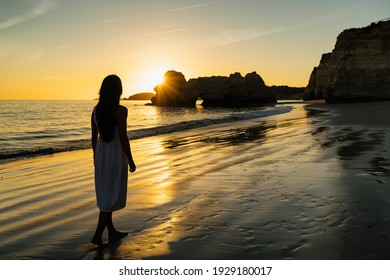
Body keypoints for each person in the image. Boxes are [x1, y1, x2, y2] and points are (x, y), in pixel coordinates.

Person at [91, 74, 136, 247]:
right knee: (110, 196)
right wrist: (131, 160)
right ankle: (97, 236)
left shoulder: (96, 110)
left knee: (106, 194)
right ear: (118, 90)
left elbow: (93, 138)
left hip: (102, 155)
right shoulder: (121, 110)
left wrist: (96, 157)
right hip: (116, 154)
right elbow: (123, 137)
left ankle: (111, 232)